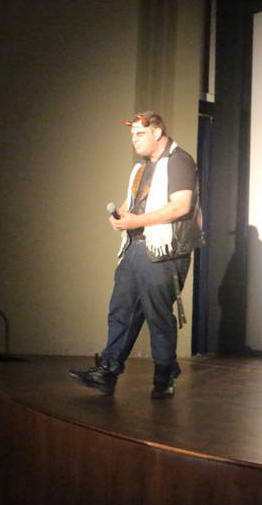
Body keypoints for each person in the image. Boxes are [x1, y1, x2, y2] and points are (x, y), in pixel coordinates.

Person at [69, 112, 203, 398]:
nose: (134, 140)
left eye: (140, 134)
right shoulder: (142, 168)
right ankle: (107, 371)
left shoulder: (179, 160)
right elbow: (135, 204)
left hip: (163, 251)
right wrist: (121, 216)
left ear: (157, 133)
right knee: (121, 310)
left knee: (157, 316)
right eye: (132, 135)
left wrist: (136, 221)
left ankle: (164, 376)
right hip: (134, 246)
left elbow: (181, 206)